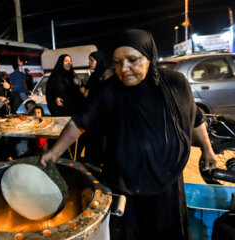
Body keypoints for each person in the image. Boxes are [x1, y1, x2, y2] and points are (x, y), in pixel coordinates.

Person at [40, 29, 217, 240]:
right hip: (125, 184)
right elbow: (78, 123)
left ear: (149, 57)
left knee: (168, 233)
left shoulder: (175, 84)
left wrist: (208, 149)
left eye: (132, 60)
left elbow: (195, 118)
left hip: (167, 183)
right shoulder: (109, 90)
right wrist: (54, 152)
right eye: (117, 62)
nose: (124, 69)